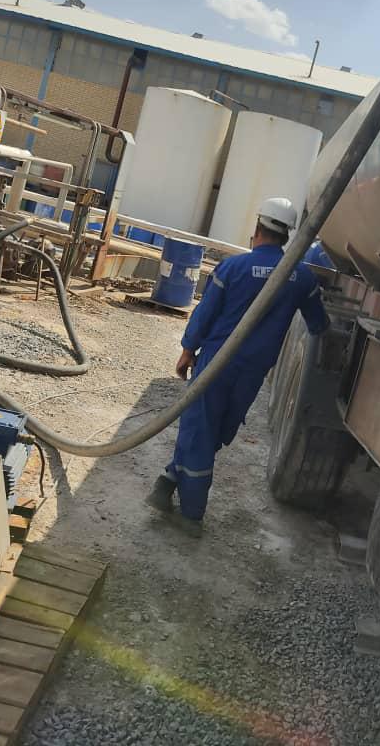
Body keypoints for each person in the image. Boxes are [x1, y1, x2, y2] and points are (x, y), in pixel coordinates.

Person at [146, 197, 330, 536]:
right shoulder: (301, 277)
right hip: (253, 372)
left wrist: (187, 350)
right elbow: (319, 324)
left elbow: (206, 313)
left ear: (258, 228)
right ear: (287, 235)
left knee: (201, 429)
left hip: (217, 362)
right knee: (215, 431)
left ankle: (191, 515)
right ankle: (169, 479)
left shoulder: (233, 267)